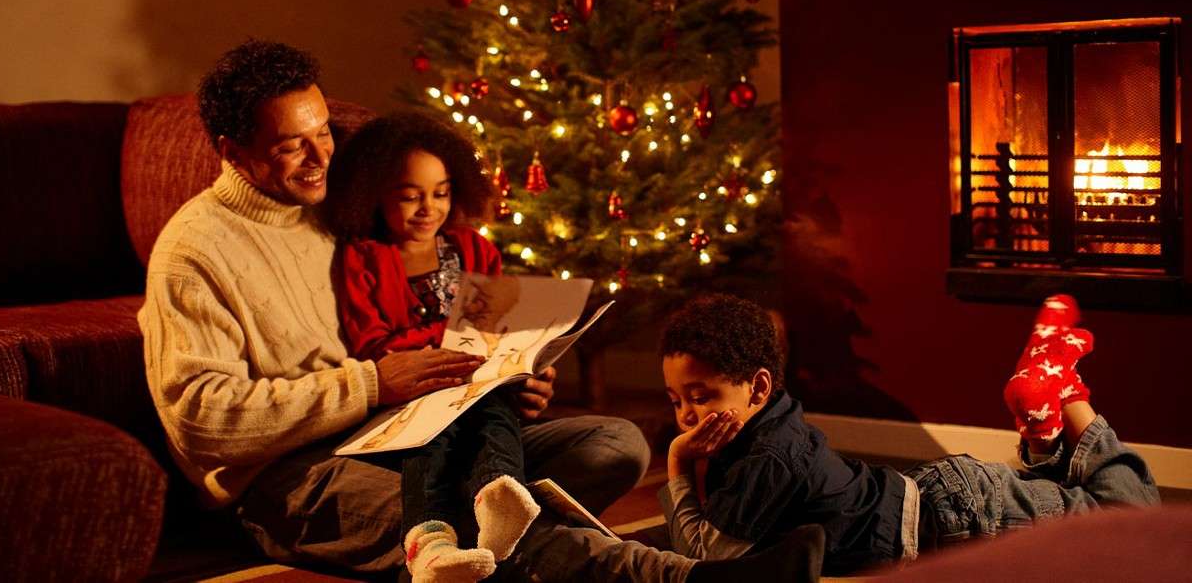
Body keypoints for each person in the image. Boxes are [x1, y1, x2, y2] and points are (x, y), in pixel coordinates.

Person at [140, 39, 819, 582]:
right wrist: (372, 384)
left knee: (614, 444)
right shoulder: (195, 251)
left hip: (407, 434)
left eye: (323, 132)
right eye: (293, 144)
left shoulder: (341, 208)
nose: (322, 156)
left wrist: (506, 376)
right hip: (292, 477)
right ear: (230, 151)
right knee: (469, 531)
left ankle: (465, 527)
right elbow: (202, 420)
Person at [657, 293, 1160, 576]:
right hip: (945, 503)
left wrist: (677, 463)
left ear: (758, 386)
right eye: (677, 400)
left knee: (1134, 523)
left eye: (701, 397)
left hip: (958, 517)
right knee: (1077, 508)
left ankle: (1064, 392)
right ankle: (1044, 419)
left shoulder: (766, 459)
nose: (686, 416)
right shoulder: (759, 428)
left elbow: (706, 563)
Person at [329, 112, 538, 582]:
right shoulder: (363, 255)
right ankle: (429, 545)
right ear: (375, 194)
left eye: (441, 193)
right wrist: (447, 346)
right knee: (431, 439)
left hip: (479, 388)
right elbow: (372, 343)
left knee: (494, 410)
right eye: (409, 196)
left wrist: (526, 360)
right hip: (413, 397)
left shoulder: (474, 249)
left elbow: (498, 325)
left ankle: (497, 497)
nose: (428, 208)